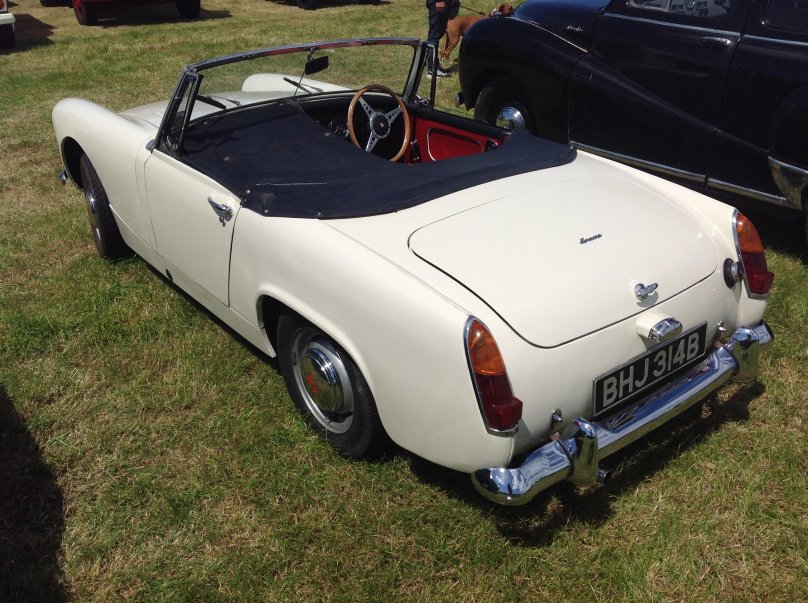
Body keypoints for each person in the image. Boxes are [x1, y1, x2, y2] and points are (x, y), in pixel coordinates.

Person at [425, 0, 459, 78]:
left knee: (438, 33)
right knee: (434, 35)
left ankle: (435, 66)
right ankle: (432, 70)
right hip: (438, 3)